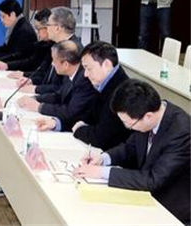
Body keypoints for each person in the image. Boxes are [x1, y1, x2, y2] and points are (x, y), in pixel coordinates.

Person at [74, 80, 190, 224]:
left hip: (172, 210)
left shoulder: (182, 131)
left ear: (148, 116)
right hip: (147, 198)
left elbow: (153, 180)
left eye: (129, 124)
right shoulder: (146, 115)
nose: (128, 128)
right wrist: (103, 158)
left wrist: (101, 172)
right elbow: (130, 147)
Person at [19, 40, 97, 131]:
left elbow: (70, 112)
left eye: (54, 61)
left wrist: (40, 107)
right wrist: (35, 99)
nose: (52, 64)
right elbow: (58, 95)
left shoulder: (84, 79)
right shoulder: (70, 72)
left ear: (66, 64)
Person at [71, 41, 132, 150]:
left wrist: (79, 130)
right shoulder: (105, 83)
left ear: (106, 65)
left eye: (89, 68)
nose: (85, 74)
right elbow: (89, 116)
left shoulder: (122, 93)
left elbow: (101, 138)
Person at [18, 6, 81, 95]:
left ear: (57, 28)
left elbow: (61, 88)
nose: (46, 28)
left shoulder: (72, 49)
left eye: (48, 25)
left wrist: (36, 90)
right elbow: (47, 77)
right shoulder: (57, 46)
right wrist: (31, 80)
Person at [0, 8, 53, 74]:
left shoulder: (55, 48)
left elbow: (43, 74)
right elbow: (31, 61)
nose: (37, 32)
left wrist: (24, 74)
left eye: (38, 28)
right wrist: (7, 65)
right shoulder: (42, 44)